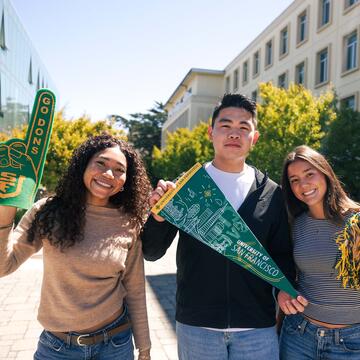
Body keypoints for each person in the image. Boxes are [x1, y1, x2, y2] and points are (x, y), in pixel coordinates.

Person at [141, 93, 298, 360]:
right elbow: (151, 252)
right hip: (197, 326)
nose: (234, 134)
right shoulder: (186, 187)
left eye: (243, 128)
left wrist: (285, 287)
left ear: (254, 138)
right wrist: (158, 216)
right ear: (210, 132)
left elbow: (282, 253)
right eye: (225, 126)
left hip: (257, 327)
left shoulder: (272, 194)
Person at [0, 134, 152, 360]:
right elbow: (4, 266)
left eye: (119, 169)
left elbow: (135, 287)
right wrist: (8, 203)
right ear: (83, 165)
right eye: (100, 163)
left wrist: (145, 348)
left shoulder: (128, 222)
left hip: (115, 344)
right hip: (57, 348)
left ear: (125, 181)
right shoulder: (47, 211)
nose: (109, 174)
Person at [278, 145, 360, 360]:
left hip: (352, 341)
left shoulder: (357, 221)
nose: (303, 185)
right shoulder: (294, 225)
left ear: (325, 173)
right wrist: (282, 291)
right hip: (299, 334)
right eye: (294, 180)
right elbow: (287, 272)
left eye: (309, 174)